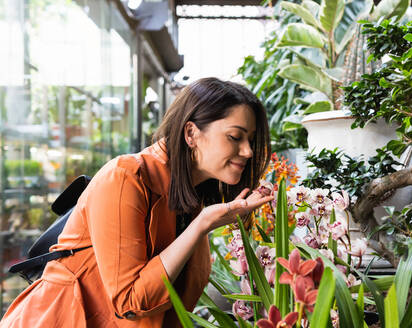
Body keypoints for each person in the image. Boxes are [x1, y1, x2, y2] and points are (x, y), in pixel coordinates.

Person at [0, 77, 273, 327]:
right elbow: (129, 301)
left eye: (250, 139)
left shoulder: (191, 201)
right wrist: (201, 226)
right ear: (191, 134)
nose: (248, 151)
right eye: (235, 137)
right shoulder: (125, 177)